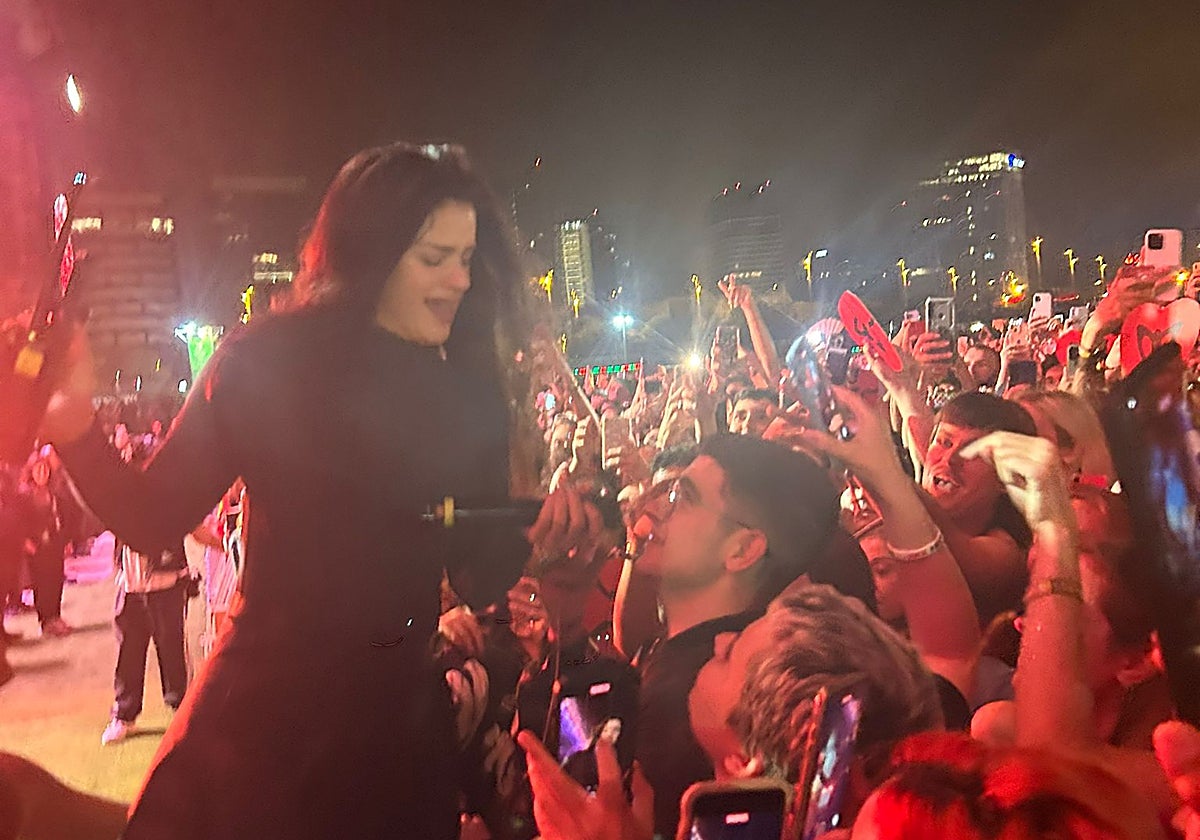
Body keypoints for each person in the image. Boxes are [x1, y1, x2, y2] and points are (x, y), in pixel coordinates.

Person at [42, 142, 598, 840]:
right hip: (261, 723)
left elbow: (476, 569)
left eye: (466, 257)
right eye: (435, 258)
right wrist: (72, 427)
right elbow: (154, 519)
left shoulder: (466, 395)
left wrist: (545, 542)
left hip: (391, 732)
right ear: (369, 255)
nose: (458, 279)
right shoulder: (261, 363)